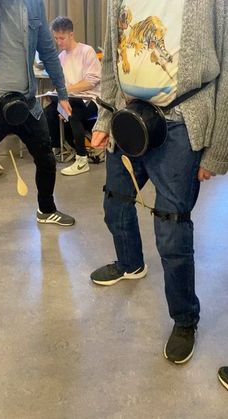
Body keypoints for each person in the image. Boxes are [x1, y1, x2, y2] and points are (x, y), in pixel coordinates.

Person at [90, 0, 228, 364]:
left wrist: (217, 150)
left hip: (181, 122)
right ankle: (130, 263)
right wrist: (104, 119)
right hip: (127, 117)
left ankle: (184, 319)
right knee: (115, 201)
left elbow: (226, 69)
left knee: (171, 228)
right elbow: (110, 59)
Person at [0, 0, 75, 226]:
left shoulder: (34, 5)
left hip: (26, 103)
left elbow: (48, 51)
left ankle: (46, 210)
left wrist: (63, 94)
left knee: (46, 158)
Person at [45, 16, 101, 176]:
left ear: (71, 35)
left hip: (90, 100)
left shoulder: (86, 51)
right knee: (48, 112)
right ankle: (57, 148)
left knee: (72, 114)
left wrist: (66, 91)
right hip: (70, 99)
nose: (58, 42)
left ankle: (82, 160)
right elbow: (60, 83)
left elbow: (92, 81)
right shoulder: (61, 57)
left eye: (61, 38)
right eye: (56, 38)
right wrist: (57, 95)